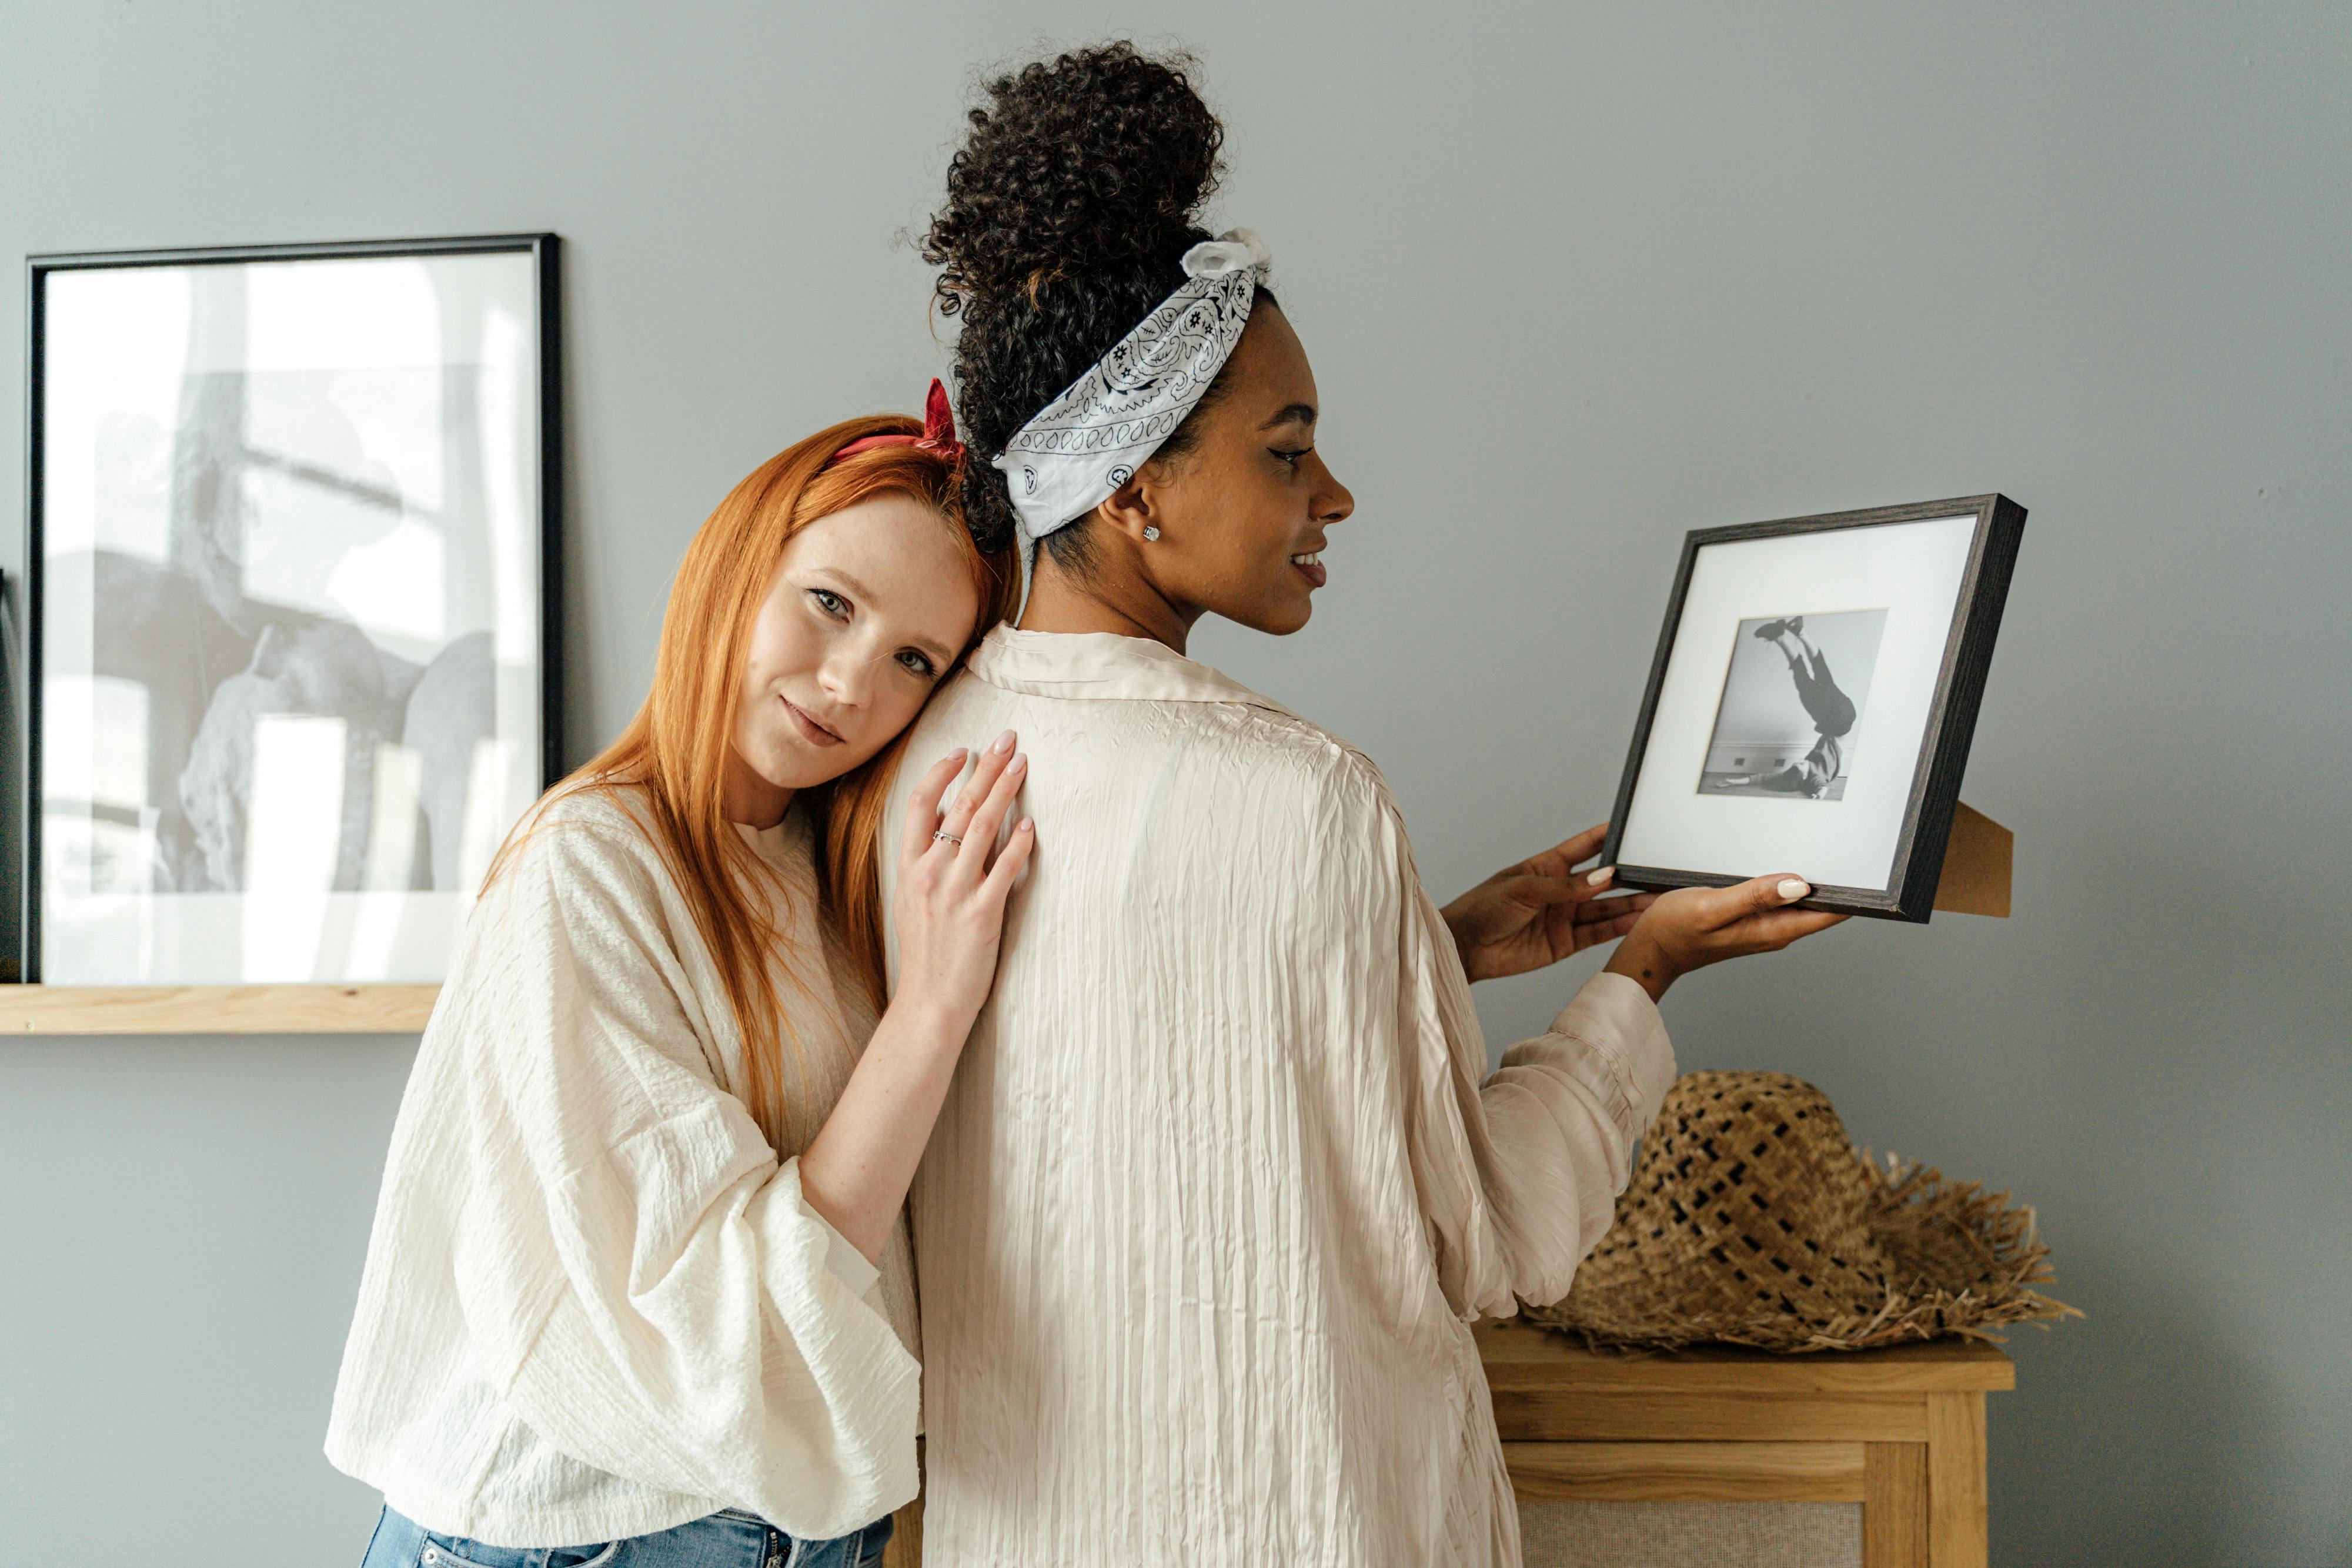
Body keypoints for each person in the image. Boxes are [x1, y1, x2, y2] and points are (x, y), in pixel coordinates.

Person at [878, 44, 1849, 1568]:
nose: (1333, 496)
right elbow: (1501, 1235)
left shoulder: (918, 761)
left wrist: (1427, 943)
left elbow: (1147, 1043)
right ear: (1131, 489)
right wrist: (1646, 972)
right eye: (1287, 452)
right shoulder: (1305, 796)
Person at [328, 396, 1028, 1568]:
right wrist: (932, 1010)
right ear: (737, 568)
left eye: (913, 658)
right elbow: (711, 1298)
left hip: (781, 1524)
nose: (853, 680)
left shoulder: (836, 874)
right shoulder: (587, 865)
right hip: (578, 1534)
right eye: (829, 603)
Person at [1712, 616, 1859, 798]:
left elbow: (1764, 778)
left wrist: (1734, 782)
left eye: (1796, 763)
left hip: (1827, 719)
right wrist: (1819, 795)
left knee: (1802, 679)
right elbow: (1822, 787)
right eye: (1800, 765)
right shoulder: (1816, 777)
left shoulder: (1795, 775)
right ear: (1806, 775)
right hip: (1840, 721)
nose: (1800, 761)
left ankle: (1780, 638)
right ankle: (1798, 633)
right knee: (1821, 674)